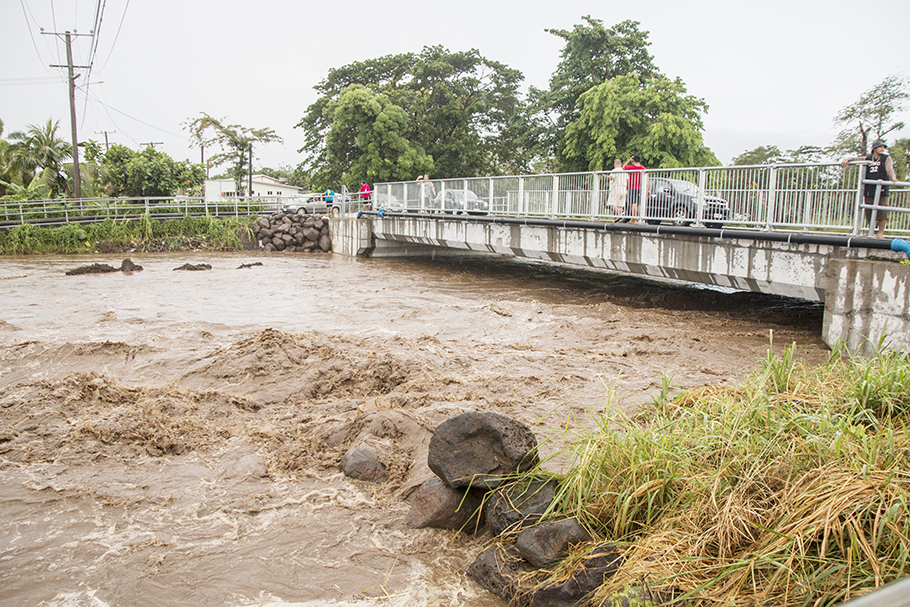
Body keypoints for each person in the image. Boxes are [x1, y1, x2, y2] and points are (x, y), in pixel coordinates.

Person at [841, 140, 899, 238]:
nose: (882, 149)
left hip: (882, 187)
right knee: (869, 210)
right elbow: (855, 159)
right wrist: (847, 159)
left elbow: (889, 168)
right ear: (874, 149)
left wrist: (893, 177)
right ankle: (870, 230)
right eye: (880, 147)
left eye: (883, 147)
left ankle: (881, 233)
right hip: (869, 187)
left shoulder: (886, 157)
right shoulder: (868, 158)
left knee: (882, 210)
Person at [621, 155, 647, 223]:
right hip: (641, 188)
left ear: (633, 160)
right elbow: (647, 179)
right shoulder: (643, 169)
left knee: (633, 204)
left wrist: (629, 160)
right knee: (638, 204)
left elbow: (623, 167)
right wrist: (648, 189)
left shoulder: (631, 167)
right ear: (640, 161)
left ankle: (634, 219)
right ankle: (638, 218)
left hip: (632, 187)